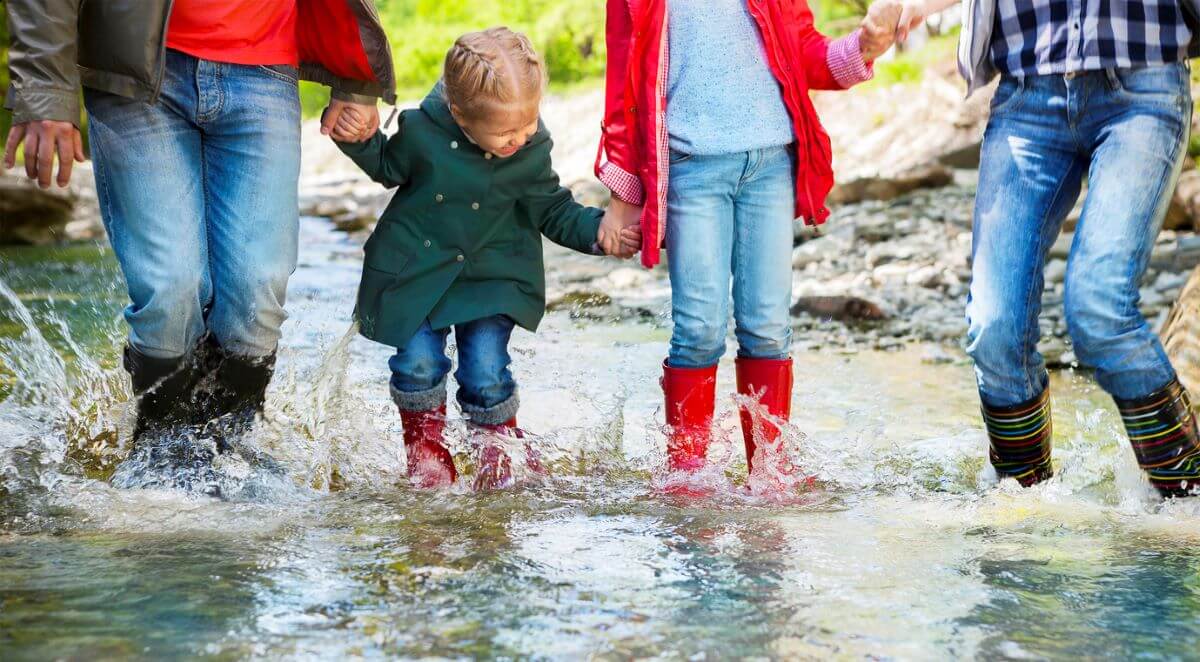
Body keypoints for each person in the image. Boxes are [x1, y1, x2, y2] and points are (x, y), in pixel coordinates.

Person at [2, 1, 394, 467]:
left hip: (263, 70)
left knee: (256, 294)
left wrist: (355, 78)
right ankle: (158, 460)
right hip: (137, 72)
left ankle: (232, 460)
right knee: (170, 291)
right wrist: (45, 86)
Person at [898, 0, 1200, 496]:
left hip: (1142, 87)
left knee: (1099, 310)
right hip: (1026, 94)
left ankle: (1186, 498)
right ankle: (1025, 506)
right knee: (994, 331)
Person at [596, 0, 901, 490]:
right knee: (698, 327)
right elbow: (623, 83)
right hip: (691, 165)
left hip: (770, 167)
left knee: (768, 325)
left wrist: (862, 49)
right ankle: (687, 475)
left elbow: (803, 51)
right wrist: (622, 193)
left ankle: (770, 472)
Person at [334, 27, 640, 490]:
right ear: (459, 114)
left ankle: (499, 459)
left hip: (495, 278)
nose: (520, 137)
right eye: (505, 132)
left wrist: (599, 232)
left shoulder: (531, 149)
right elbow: (386, 167)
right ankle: (427, 460)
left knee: (486, 371)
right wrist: (360, 138)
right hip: (418, 273)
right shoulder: (421, 132)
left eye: (528, 125)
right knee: (417, 365)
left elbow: (553, 209)